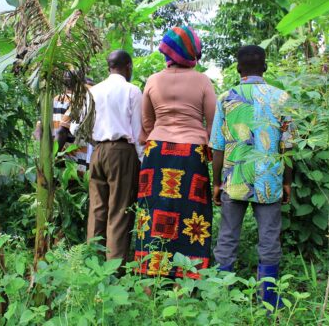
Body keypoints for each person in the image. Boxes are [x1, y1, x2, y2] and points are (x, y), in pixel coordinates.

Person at [210, 45, 293, 309]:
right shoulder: (282, 98)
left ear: (238, 68)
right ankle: (268, 299)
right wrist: (288, 181)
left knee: (227, 236)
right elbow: (288, 146)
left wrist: (216, 182)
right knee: (269, 237)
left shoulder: (226, 98)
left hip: (234, 178)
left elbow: (218, 146)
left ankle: (222, 297)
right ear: (265, 67)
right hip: (269, 179)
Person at [134, 26, 216, 279]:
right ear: (193, 53)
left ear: (167, 51)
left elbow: (146, 121)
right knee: (191, 213)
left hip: (157, 152)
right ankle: (185, 280)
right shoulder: (203, 81)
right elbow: (213, 122)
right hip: (192, 154)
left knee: (154, 210)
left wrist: (160, 133)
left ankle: (150, 278)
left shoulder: (153, 80)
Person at [87, 50, 143, 268]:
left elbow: (78, 126)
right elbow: (138, 131)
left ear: (109, 66)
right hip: (122, 152)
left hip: (98, 150)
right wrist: (142, 160)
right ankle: (113, 269)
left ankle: (90, 263)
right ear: (128, 66)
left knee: (97, 208)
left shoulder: (94, 91)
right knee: (119, 210)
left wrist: (96, 144)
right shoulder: (132, 90)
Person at [54, 72, 95, 174]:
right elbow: (62, 131)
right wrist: (54, 155)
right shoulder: (80, 101)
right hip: (74, 157)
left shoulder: (54, 99)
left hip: (57, 153)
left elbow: (40, 130)